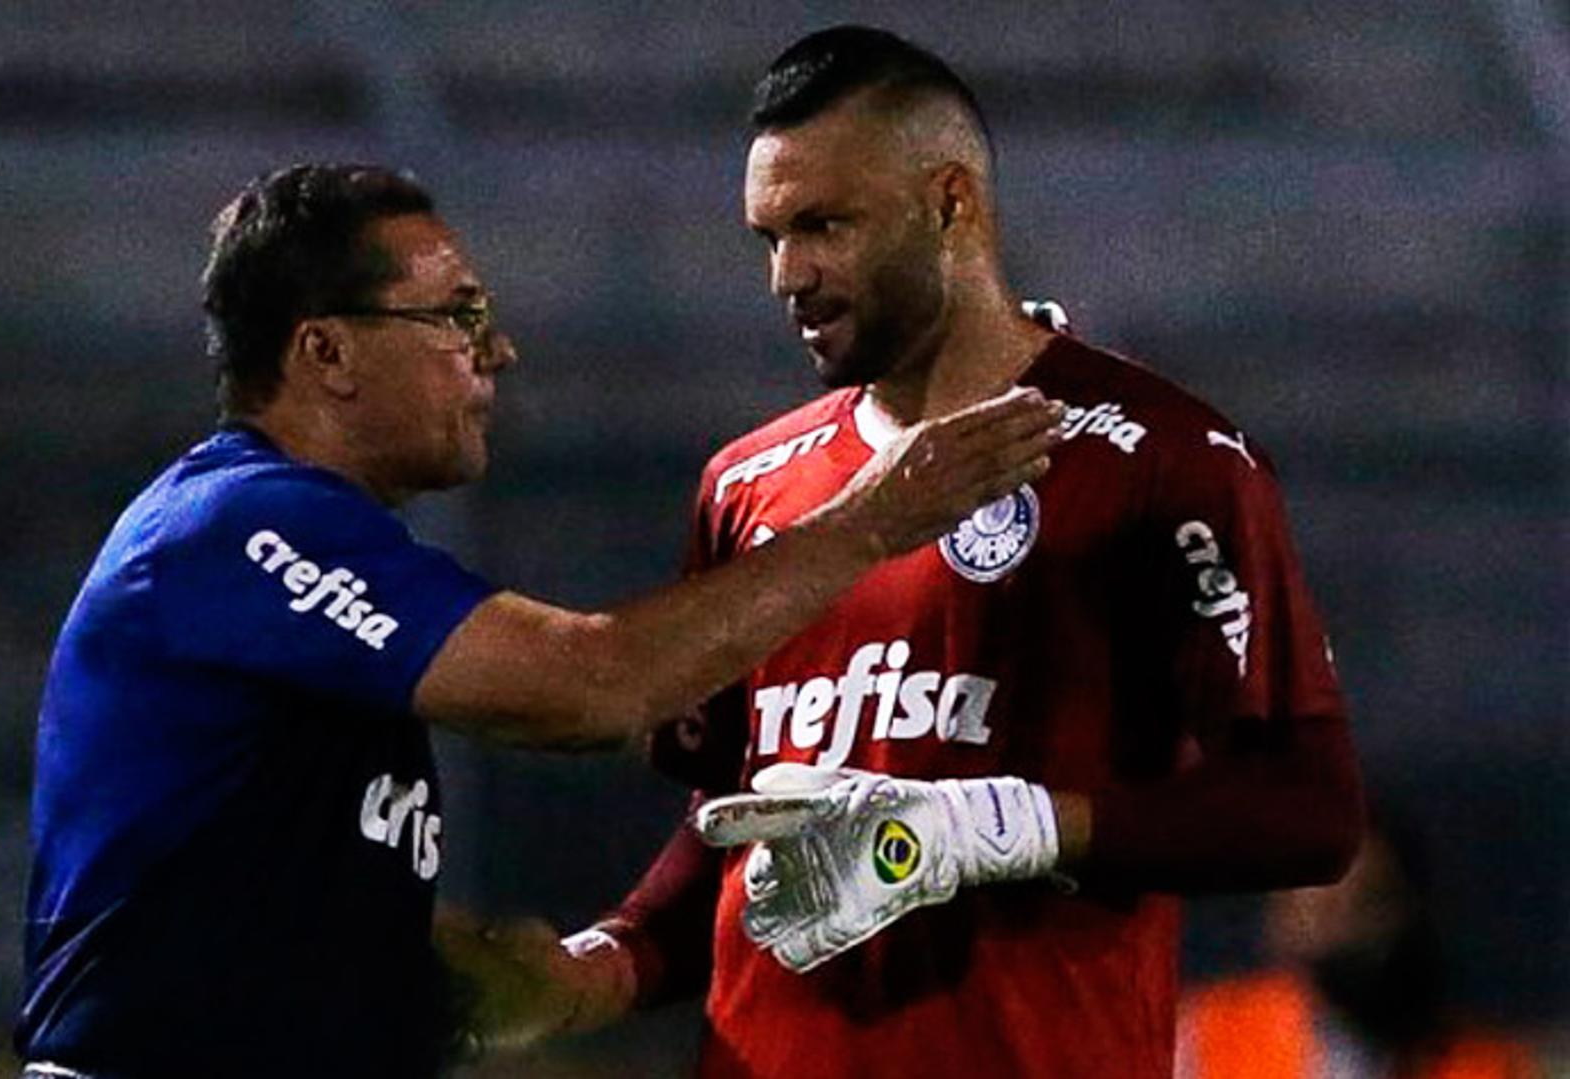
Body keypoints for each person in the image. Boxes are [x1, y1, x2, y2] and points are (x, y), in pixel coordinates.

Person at [12, 163, 1061, 1078]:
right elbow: (591, 688)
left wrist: (528, 976)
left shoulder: (296, 559)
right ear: (326, 352)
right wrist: (876, 517)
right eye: (457, 316)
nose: (498, 350)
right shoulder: (235, 526)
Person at [530, 25, 1365, 1078]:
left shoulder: (1166, 457)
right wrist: (604, 961)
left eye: (824, 225)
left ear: (950, 203)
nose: (789, 273)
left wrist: (1007, 824)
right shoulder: (746, 484)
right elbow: (740, 825)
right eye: (768, 237)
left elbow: (1308, 810)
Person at [1177, 813, 1542, 1079]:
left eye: (1366, 903)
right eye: (1316, 906)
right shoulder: (1203, 1038)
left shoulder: (1478, 1062)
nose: (1343, 929)